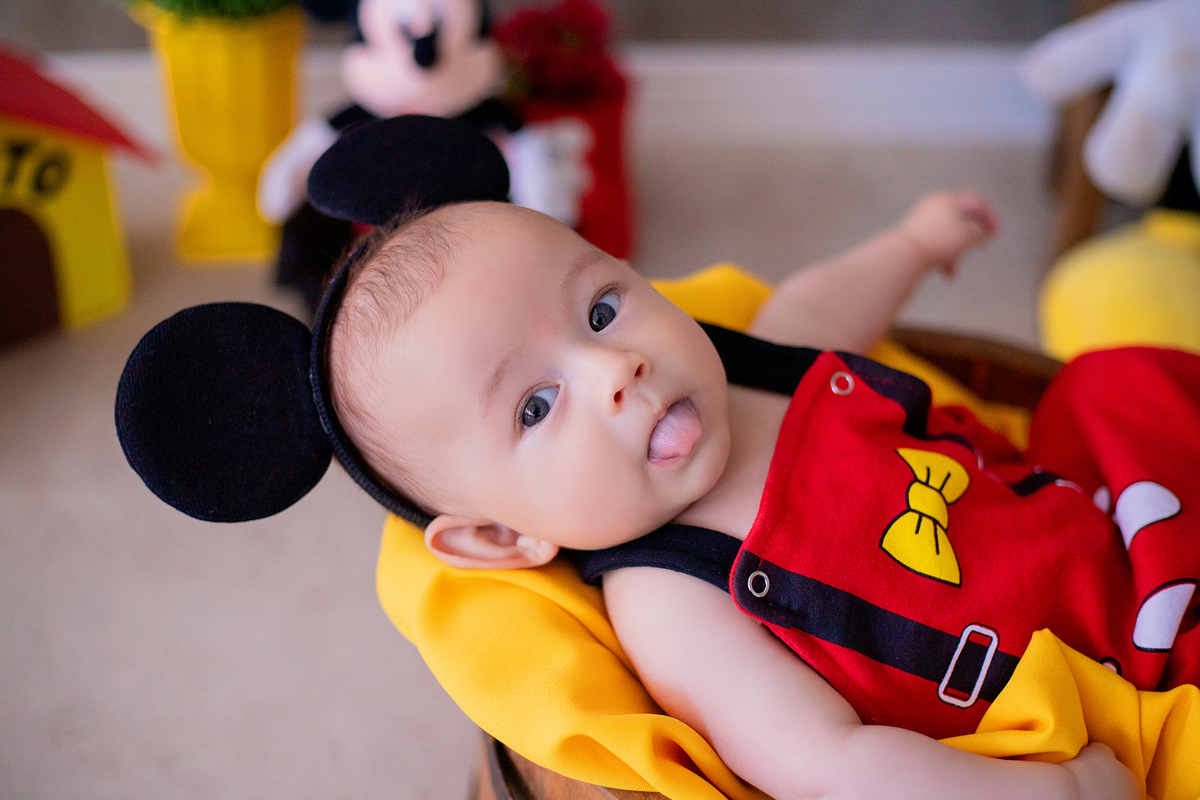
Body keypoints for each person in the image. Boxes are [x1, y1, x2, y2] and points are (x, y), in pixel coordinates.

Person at [322, 189, 1200, 800]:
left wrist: (915, 244)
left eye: (600, 310)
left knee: (1110, 387)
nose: (615, 369)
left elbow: (818, 311)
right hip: (1097, 684)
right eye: (536, 406)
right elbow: (830, 768)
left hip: (1091, 516)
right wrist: (1058, 789)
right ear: (500, 538)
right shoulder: (674, 599)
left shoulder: (745, 368)